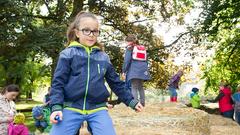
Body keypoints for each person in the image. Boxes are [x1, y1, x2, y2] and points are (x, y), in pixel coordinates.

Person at [49, 11, 143, 135]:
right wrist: (56, 107)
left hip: (97, 108)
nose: (91, 35)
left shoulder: (103, 57)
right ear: (77, 32)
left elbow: (116, 83)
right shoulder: (67, 54)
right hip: (71, 107)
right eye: (86, 30)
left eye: (95, 31)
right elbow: (58, 83)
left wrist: (131, 101)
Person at [122, 34, 150, 107]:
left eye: (126, 42)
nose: (126, 43)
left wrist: (124, 71)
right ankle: (142, 103)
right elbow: (146, 60)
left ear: (129, 41)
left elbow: (127, 61)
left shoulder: (130, 48)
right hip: (143, 69)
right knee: (140, 86)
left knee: (134, 86)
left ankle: (136, 104)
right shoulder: (142, 48)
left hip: (134, 70)